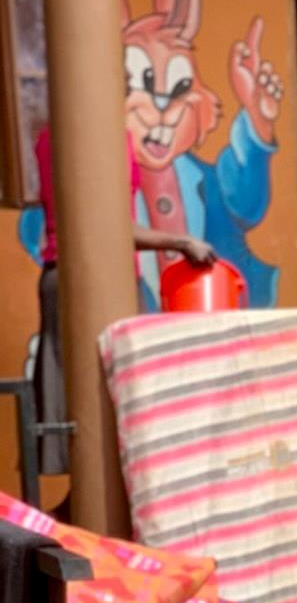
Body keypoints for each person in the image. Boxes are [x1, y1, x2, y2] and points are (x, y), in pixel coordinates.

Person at [30, 126, 213, 476]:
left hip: (73, 274)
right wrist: (182, 242)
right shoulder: (98, 132)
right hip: (94, 277)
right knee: (113, 394)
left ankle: (86, 495)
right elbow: (106, 225)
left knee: (86, 393)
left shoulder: (51, 136)